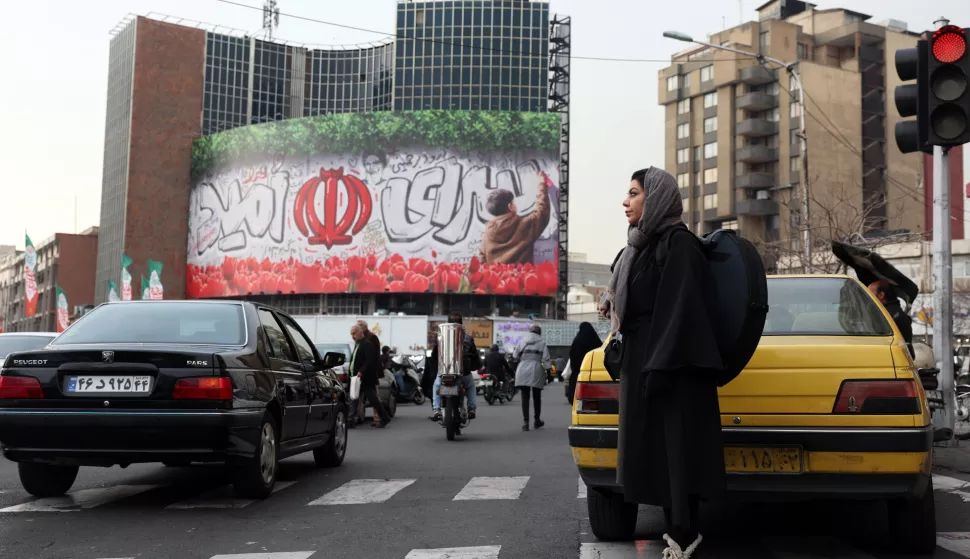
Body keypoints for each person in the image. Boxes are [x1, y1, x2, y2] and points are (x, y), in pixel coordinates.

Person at [601, 167, 725, 558]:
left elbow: (682, 310)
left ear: (655, 199)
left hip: (673, 369)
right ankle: (676, 534)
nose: (626, 201)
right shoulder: (639, 249)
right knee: (653, 453)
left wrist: (660, 366)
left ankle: (685, 536)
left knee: (677, 452)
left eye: (634, 193)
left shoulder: (680, 245)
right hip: (646, 363)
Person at [479, 172, 551, 264]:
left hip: (497, 277)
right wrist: (542, 184)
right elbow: (542, 211)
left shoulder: (487, 234)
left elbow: (482, 260)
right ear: (510, 206)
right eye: (514, 202)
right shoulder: (524, 225)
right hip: (522, 277)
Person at [429, 312, 481, 421]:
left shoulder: (440, 337)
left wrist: (435, 367)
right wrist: (475, 366)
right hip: (463, 372)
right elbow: (474, 355)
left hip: (444, 371)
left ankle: (436, 410)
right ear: (461, 323)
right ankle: (471, 408)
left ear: (448, 323)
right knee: (470, 386)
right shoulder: (468, 338)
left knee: (436, 386)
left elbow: (434, 355)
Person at [350, 324, 390, 428]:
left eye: (354, 333)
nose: (352, 336)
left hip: (366, 377)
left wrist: (361, 371)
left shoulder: (367, 344)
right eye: (351, 334)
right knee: (354, 398)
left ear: (360, 332)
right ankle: (350, 420)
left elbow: (369, 361)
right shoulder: (357, 344)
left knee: (372, 399)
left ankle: (384, 418)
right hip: (357, 377)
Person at [513, 324, 551, 431]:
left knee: (525, 397)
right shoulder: (542, 342)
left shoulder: (522, 341)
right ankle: (537, 420)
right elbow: (546, 359)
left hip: (522, 368)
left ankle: (526, 422)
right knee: (536, 396)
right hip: (536, 369)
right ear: (539, 333)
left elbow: (515, 355)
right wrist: (549, 373)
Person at [869, 280, 914, 357]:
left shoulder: (887, 315)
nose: (867, 296)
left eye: (870, 293)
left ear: (881, 295)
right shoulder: (892, 312)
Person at [567, 322, 603, 404]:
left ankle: (575, 400)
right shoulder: (595, 339)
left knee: (576, 384)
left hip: (578, 369)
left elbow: (572, 354)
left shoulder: (577, 340)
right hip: (592, 369)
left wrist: (575, 367)